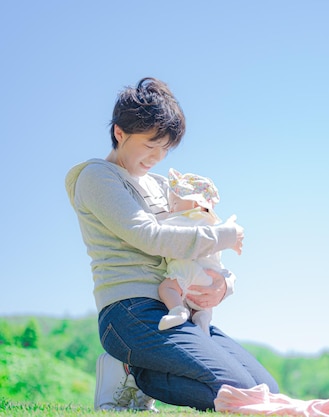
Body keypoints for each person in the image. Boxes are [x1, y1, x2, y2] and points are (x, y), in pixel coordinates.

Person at [65, 77, 279, 412]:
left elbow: (195, 234)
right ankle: (133, 372)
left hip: (179, 308)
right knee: (241, 392)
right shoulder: (97, 177)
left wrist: (224, 284)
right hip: (129, 310)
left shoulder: (165, 186)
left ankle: (141, 369)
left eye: (165, 149)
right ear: (120, 133)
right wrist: (224, 234)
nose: (157, 157)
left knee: (268, 390)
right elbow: (150, 236)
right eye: (150, 146)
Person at [158, 168, 236, 334]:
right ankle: (202, 320)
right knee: (203, 306)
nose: (171, 210)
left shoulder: (185, 218)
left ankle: (178, 311)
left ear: (194, 204)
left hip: (188, 271)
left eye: (174, 204)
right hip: (211, 278)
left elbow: (161, 235)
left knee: (167, 288)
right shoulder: (210, 225)